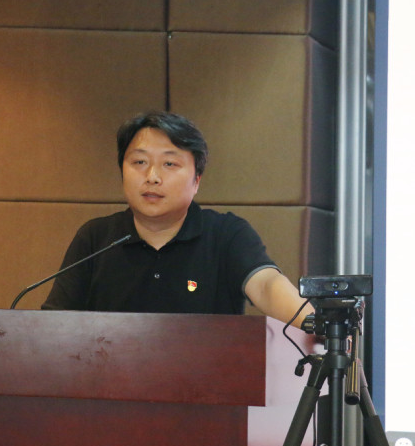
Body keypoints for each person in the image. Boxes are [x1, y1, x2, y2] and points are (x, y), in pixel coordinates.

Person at [42, 111, 312, 327]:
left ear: (197, 180)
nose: (152, 177)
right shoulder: (96, 237)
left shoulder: (226, 234)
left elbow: (265, 285)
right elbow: (53, 324)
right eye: (139, 162)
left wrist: (313, 323)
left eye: (169, 164)